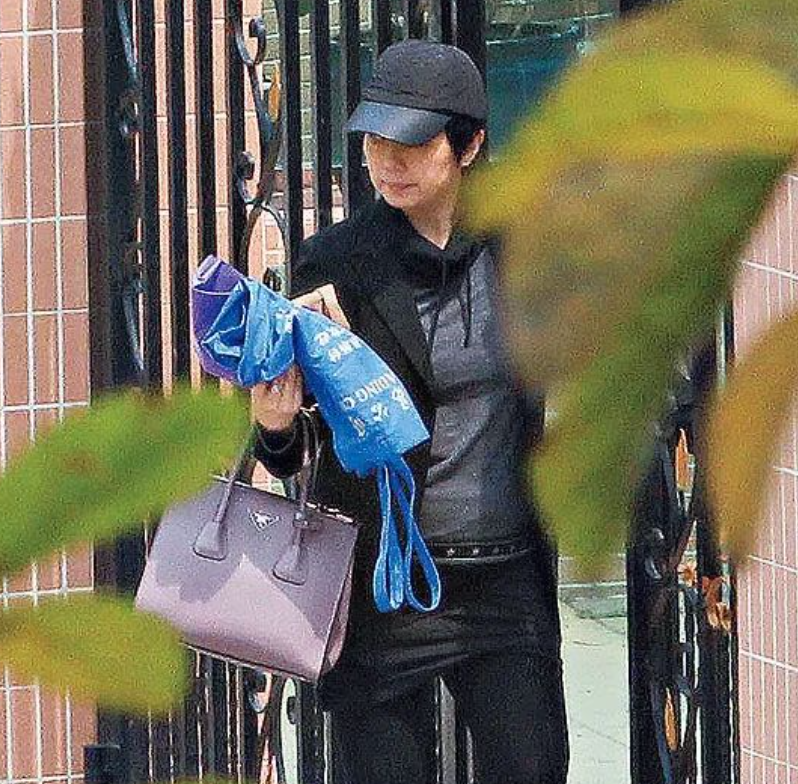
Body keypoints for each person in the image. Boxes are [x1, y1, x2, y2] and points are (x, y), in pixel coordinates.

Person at [252, 39, 568, 784]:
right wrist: (275, 424)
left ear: (470, 145)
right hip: (381, 588)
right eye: (375, 142)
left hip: (503, 581)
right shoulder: (337, 262)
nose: (387, 162)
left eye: (413, 144)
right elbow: (299, 446)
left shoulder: (526, 248)